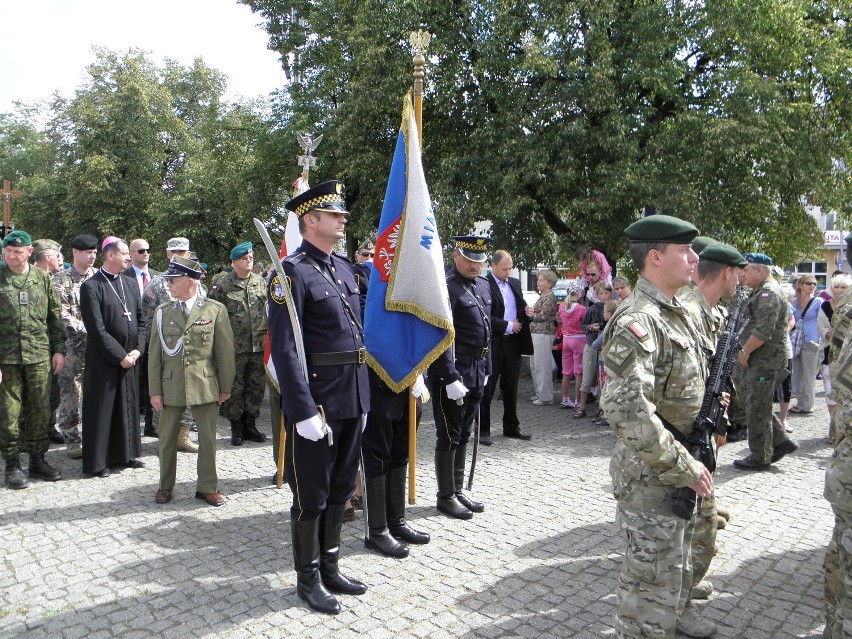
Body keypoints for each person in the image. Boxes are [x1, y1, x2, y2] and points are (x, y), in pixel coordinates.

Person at [600, 214, 715, 639]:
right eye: (683, 250)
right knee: (648, 592)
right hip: (652, 476)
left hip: (681, 463)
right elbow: (625, 409)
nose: (693, 258)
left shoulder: (678, 309)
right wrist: (682, 464)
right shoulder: (640, 320)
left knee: (676, 569)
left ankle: (676, 616)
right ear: (655, 256)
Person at [268, 180, 370, 615]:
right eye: (334, 214)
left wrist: (366, 397)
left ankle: (330, 567)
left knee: (342, 488)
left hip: (352, 396)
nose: (343, 218)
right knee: (311, 493)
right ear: (311, 220)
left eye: (342, 213)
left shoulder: (344, 268)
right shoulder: (289, 272)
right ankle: (307, 578)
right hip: (320, 402)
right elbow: (286, 346)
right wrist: (303, 409)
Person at [677, 241, 747, 619]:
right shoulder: (686, 313)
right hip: (683, 440)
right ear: (725, 272)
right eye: (737, 271)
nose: (740, 278)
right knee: (693, 526)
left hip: (700, 434)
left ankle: (686, 585)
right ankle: (679, 600)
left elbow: (713, 373)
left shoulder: (712, 312)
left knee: (701, 523)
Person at [148, 256, 235, 507]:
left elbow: (225, 353)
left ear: (190, 282)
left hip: (204, 383)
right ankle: (165, 485)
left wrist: (226, 386)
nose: (169, 285)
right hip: (171, 383)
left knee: (208, 439)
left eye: (174, 281)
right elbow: (154, 355)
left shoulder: (214, 310)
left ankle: (207, 487)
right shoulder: (163, 313)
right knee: (166, 439)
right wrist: (155, 391)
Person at [428, 235, 492, 520]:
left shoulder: (483, 285)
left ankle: (457, 489)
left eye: (479, 261)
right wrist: (449, 375)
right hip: (454, 371)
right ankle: (445, 496)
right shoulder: (445, 288)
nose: (474, 265)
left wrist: (487, 367)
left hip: (477, 370)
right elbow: (439, 335)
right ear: (456, 256)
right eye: (469, 259)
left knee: (464, 432)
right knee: (449, 434)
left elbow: (487, 331)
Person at [0, 230, 66, 489]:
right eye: (8, 251)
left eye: (18, 251)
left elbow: (55, 316)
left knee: (40, 408)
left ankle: (38, 460)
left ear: (29, 252)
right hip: (6, 358)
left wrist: (58, 349)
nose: (12, 255)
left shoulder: (42, 279)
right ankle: (12, 464)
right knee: (9, 412)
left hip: (39, 355)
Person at [79, 238, 147, 477]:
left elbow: (141, 320)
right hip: (105, 359)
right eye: (125, 253)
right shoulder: (91, 286)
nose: (129, 257)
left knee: (127, 406)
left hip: (131, 357)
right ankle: (98, 462)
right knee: (104, 409)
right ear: (110, 255)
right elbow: (96, 329)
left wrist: (138, 349)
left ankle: (126, 455)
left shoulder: (129, 283)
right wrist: (120, 356)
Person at [732, 253, 799, 470]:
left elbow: (764, 330)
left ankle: (759, 457)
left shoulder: (768, 293)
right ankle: (780, 441)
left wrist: (745, 351)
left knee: (757, 407)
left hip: (764, 359)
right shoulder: (762, 290)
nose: (743, 273)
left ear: (759, 270)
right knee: (757, 402)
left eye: (747, 269)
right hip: (763, 358)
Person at [140, 236, 202, 449]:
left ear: (188, 253)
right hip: (167, 350)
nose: (178, 255)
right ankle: (164, 435)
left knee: (190, 391)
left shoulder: (196, 282)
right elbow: (146, 317)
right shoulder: (157, 283)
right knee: (166, 393)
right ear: (167, 254)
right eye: (174, 252)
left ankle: (183, 435)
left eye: (182, 252)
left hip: (192, 348)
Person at [208, 241, 269, 446]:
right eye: (245, 258)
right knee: (235, 387)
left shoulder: (261, 282)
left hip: (258, 346)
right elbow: (212, 313)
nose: (249, 260)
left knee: (256, 387)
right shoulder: (222, 285)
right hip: (234, 347)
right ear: (234, 262)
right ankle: (236, 428)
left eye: (251, 257)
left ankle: (250, 425)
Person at [481, 250, 533, 444]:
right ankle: (483, 430)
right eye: (504, 269)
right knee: (488, 387)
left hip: (513, 342)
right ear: (493, 266)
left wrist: (528, 313)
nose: (508, 272)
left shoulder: (514, 283)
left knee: (511, 386)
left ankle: (511, 426)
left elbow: (520, 308)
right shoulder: (483, 284)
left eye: (510, 268)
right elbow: (484, 315)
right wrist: (508, 325)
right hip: (493, 341)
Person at [54, 234, 98, 458]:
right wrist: (92, 330)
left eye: (94, 252)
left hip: (97, 349)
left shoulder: (99, 277)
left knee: (95, 393)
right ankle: (71, 438)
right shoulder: (60, 280)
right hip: (72, 348)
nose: (91, 256)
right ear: (75, 253)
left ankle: (95, 436)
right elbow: (61, 314)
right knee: (71, 393)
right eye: (87, 252)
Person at [123, 239, 159, 439]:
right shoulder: (123, 277)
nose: (146, 253)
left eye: (148, 250)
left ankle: (151, 424)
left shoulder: (158, 277)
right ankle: (131, 425)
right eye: (141, 250)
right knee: (134, 383)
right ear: (131, 254)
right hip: (132, 339)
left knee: (152, 381)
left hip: (154, 338)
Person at [32, 239, 64, 443]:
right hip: (33, 347)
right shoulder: (32, 279)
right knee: (34, 394)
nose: (60, 261)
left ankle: (49, 426)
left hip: (53, 345)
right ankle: (29, 432)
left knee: (53, 391)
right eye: (57, 256)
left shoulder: (55, 279)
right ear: (47, 257)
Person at [819, 274, 852, 441]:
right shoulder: (830, 306)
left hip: (844, 360)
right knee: (833, 395)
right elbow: (825, 330)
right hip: (832, 358)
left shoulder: (847, 306)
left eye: (843, 287)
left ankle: (840, 434)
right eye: (837, 287)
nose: (839, 290)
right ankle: (836, 433)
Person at [576, 280, 614, 417]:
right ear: (597, 295)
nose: (604, 296)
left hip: (608, 347)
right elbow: (582, 326)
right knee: (587, 376)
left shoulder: (615, 307)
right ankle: (582, 406)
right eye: (601, 293)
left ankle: (601, 406)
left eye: (607, 293)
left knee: (604, 379)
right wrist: (591, 327)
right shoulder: (592, 309)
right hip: (592, 344)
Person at [790, 274, 822, 414]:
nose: (812, 286)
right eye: (809, 283)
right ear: (800, 285)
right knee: (797, 373)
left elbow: (823, 321)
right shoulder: (794, 302)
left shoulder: (818, 301)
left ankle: (807, 405)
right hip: (796, 341)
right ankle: (800, 402)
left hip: (811, 341)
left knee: (808, 374)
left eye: (814, 284)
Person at [529, 269, 559, 405]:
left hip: (544, 333)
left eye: (541, 280)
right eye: (538, 279)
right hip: (537, 333)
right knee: (535, 365)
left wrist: (530, 314)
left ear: (550, 283)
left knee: (542, 365)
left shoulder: (550, 297)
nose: (538, 282)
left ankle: (546, 397)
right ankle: (540, 393)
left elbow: (543, 316)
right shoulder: (543, 297)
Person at [558, 282, 586, 411]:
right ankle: (578, 401)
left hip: (566, 339)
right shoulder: (581, 309)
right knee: (579, 372)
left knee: (566, 372)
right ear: (579, 293)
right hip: (579, 339)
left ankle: (565, 399)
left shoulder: (562, 307)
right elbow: (585, 323)